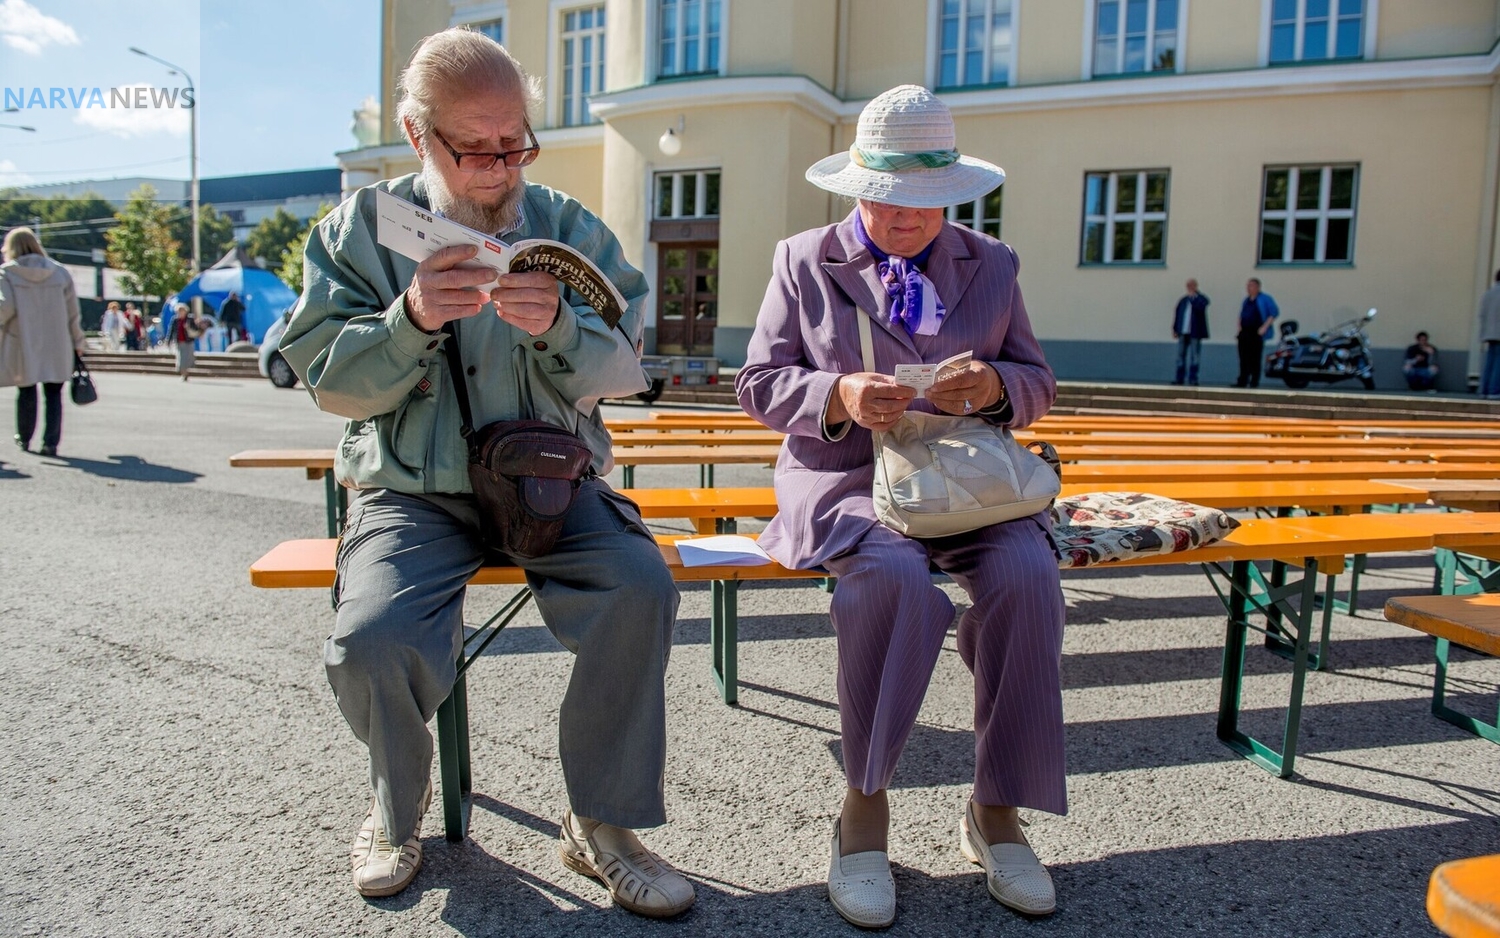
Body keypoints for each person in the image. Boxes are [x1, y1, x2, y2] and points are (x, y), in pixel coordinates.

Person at [277, 28, 693, 914]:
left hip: (552, 474)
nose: (500, 168)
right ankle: (397, 806)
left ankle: (603, 826)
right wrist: (410, 318)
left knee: (639, 587)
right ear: (417, 134)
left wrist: (562, 331)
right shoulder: (359, 230)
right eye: (476, 148)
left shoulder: (566, 227)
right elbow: (330, 384)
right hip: (411, 489)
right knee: (370, 642)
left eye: (517, 144)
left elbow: (629, 366)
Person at [736, 85, 1065, 928]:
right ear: (856, 185)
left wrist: (996, 387)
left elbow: (1036, 382)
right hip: (849, 481)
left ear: (952, 191)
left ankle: (997, 811)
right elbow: (759, 384)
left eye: (923, 201)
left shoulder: (992, 262)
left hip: (968, 484)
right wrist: (839, 391)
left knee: (1030, 574)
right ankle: (864, 809)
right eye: (885, 198)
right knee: (887, 581)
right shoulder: (804, 258)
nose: (903, 216)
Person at [0, 227, 86, 457]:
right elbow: (73, 312)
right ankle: (50, 443)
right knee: (54, 394)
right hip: (58, 342)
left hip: (23, 341)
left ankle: (24, 438)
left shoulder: (7, 273)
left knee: (26, 391)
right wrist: (78, 340)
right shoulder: (59, 272)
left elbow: (4, 308)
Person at [1235, 277, 1278, 388]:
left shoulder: (1265, 299)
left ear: (1257, 287)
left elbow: (1274, 313)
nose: (1249, 288)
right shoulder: (1247, 300)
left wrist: (1264, 327)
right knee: (1243, 357)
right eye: (1248, 286)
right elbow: (1242, 314)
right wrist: (1239, 326)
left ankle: (1254, 382)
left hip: (1256, 332)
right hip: (1245, 332)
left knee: (1255, 358)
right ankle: (1242, 380)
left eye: (1251, 286)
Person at [1171, 278, 1210, 386]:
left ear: (1196, 286)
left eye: (1192, 285)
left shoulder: (1200, 299)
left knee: (1195, 356)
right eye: (1188, 286)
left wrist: (1193, 297)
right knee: (1180, 355)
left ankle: (1193, 378)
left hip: (1195, 332)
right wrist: (1175, 329)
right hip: (1183, 332)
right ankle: (1179, 378)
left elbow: (1201, 307)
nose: (1190, 288)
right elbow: (1177, 314)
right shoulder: (1183, 300)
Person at [1479, 270, 1500, 398]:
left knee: (1489, 362)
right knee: (1498, 364)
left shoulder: (1488, 294)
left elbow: (1482, 315)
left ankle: (1484, 390)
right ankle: (1495, 390)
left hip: (1489, 333)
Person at [171, 302, 201, 380]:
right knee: (181, 357)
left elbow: (196, 329)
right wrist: (168, 340)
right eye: (179, 311)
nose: (181, 313)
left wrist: (188, 328)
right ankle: (183, 372)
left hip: (188, 341)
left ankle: (185, 371)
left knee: (188, 357)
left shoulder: (190, 319)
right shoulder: (175, 320)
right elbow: (171, 331)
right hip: (180, 341)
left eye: (182, 311)